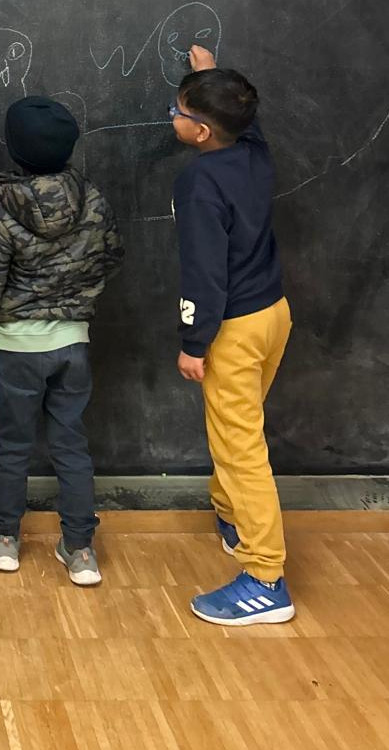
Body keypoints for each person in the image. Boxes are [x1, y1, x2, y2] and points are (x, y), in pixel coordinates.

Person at [0, 96, 124, 586]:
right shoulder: (93, 200)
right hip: (73, 345)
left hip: (16, 349)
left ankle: (5, 538)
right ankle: (81, 549)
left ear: (15, 149)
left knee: (11, 444)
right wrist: (78, 299)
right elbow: (111, 257)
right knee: (71, 444)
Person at [171, 46, 294, 626]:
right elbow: (248, 121)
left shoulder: (198, 182)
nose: (172, 117)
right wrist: (211, 77)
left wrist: (193, 342)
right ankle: (232, 515)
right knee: (237, 428)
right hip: (274, 315)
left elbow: (204, 271)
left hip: (233, 328)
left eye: (178, 111)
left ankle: (266, 578)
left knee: (241, 449)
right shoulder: (254, 151)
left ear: (201, 132)